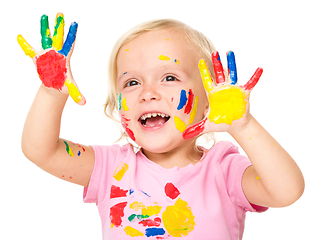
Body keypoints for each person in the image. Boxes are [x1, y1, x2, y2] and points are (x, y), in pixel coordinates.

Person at [19, 13, 304, 240]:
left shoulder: (224, 170)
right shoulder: (110, 168)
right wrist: (51, 92)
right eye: (132, 82)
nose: (147, 93)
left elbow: (287, 191)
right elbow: (40, 150)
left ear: (209, 100)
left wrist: (243, 125)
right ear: (118, 105)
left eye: (169, 77)